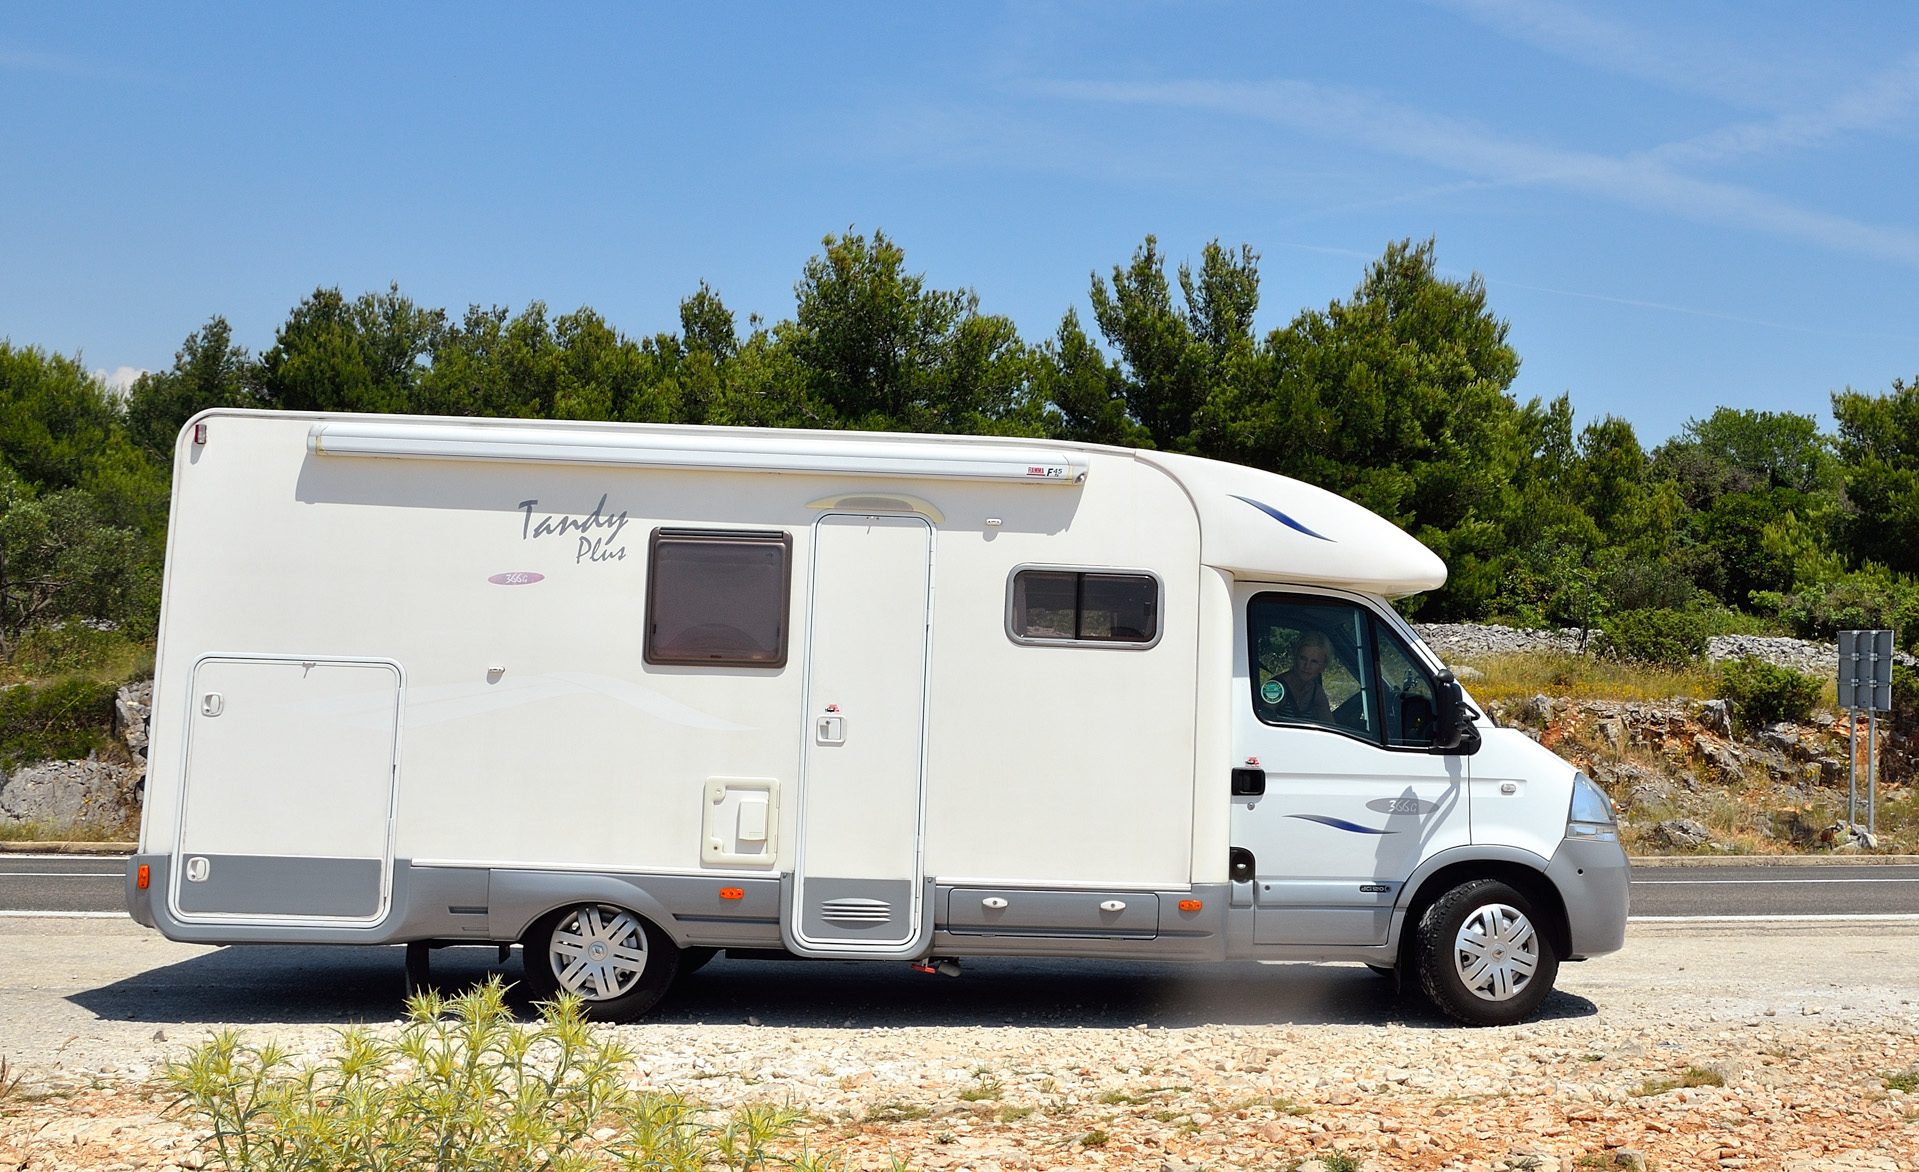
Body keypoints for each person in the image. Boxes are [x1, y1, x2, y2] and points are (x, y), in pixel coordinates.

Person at [1259, 629, 1335, 725]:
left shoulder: (1316, 691)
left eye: (1314, 661)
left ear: (1323, 666)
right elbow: (1263, 723)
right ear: (1295, 658)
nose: (1307, 666)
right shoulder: (1274, 687)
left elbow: (1331, 725)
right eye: (1303, 658)